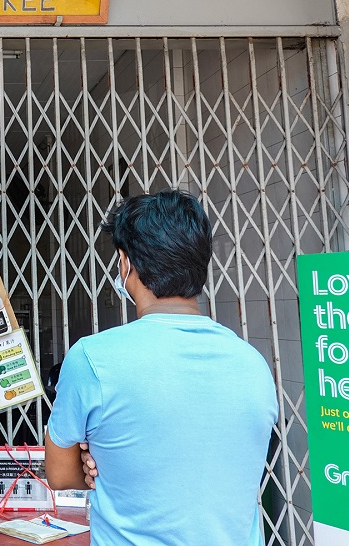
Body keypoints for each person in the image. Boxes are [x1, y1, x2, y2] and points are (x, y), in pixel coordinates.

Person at [45, 190, 278, 546]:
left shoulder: (92, 360)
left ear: (126, 264)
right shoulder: (254, 364)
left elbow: (61, 475)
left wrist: (98, 464)